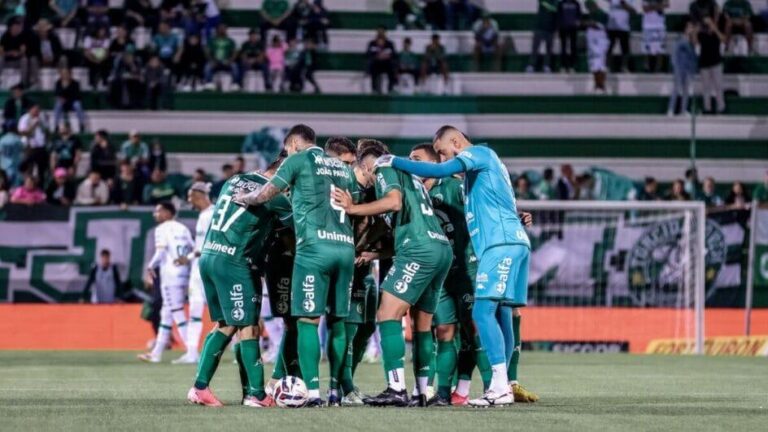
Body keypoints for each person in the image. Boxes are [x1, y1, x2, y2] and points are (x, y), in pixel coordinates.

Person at [375, 125, 536, 406]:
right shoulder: (479, 174)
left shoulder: (479, 154)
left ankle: (498, 387)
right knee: (502, 314)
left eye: (442, 151)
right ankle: (506, 384)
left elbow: (438, 171)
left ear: (456, 141)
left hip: (498, 246)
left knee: (483, 312)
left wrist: (392, 161)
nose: (443, 158)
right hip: (512, 242)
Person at [234, 124, 358, 407]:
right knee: (338, 323)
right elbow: (355, 208)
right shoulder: (342, 169)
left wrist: (245, 198)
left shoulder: (297, 160)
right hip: (345, 248)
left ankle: (313, 393)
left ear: (292, 145)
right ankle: (336, 393)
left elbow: (267, 193)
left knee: (306, 321)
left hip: (314, 250)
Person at [331, 140, 452, 408]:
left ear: (368, 165)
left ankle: (396, 388)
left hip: (418, 249)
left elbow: (394, 203)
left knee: (387, 314)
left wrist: (352, 208)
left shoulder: (385, 166)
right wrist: (371, 253)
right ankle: (423, 392)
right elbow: (396, 225)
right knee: (422, 325)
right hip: (440, 248)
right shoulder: (411, 179)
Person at [186, 160, 292, 408]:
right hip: (235, 262)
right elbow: (294, 232)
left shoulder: (234, 180)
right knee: (248, 326)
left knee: (226, 324)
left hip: (210, 256)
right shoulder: (273, 193)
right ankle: (255, 393)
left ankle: (203, 388)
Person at [138, 202, 194, 363]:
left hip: (170, 276)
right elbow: (194, 249)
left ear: (168, 212)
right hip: (183, 274)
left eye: (158, 211)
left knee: (177, 312)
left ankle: (191, 352)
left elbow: (161, 252)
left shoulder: (161, 229)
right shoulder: (182, 228)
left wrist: (150, 266)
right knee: (166, 315)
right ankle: (156, 353)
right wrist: (186, 260)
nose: (155, 214)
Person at [171, 182, 214, 365]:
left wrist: (186, 258)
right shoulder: (207, 214)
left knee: (214, 311)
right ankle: (191, 352)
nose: (189, 201)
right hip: (202, 266)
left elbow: (203, 247)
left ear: (199, 195)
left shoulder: (209, 215)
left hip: (204, 267)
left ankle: (193, 352)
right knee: (196, 310)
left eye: (190, 197)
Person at [667, 22, 698, 116]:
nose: (691, 29)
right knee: (676, 88)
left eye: (692, 27)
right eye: (689, 27)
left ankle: (683, 110)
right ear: (685, 29)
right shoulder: (680, 39)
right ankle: (670, 109)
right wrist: (674, 64)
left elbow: (693, 56)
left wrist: (693, 69)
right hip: (679, 66)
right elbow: (675, 52)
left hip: (688, 68)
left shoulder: (693, 41)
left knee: (686, 90)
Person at [699, 16, 726, 114]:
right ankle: (707, 108)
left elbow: (723, 39)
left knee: (718, 86)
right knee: (706, 88)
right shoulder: (701, 34)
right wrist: (696, 30)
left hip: (716, 62)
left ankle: (721, 107)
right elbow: (694, 42)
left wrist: (714, 28)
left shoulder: (716, 33)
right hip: (704, 63)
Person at [18, 104, 50, 182]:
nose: (37, 112)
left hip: (41, 147)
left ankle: (40, 187)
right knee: (29, 169)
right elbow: (22, 132)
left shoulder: (41, 118)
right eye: (35, 110)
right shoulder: (25, 118)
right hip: (30, 147)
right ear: (30, 110)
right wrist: (33, 125)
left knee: (42, 170)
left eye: (38, 110)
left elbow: (47, 131)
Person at [204, 24, 241, 90]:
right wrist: (211, 60)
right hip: (215, 60)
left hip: (227, 60)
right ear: (217, 30)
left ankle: (235, 84)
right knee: (207, 66)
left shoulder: (230, 41)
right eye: (220, 29)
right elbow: (207, 52)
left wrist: (230, 60)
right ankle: (209, 83)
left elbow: (235, 53)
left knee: (234, 66)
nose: (222, 30)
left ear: (226, 30)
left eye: (224, 29)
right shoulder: (212, 40)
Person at [526, 0, 558, 73]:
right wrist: (552, 8)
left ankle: (546, 65)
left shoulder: (555, 2)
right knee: (535, 48)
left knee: (549, 49)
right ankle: (531, 65)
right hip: (539, 27)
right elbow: (551, 8)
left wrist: (556, 28)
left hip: (550, 28)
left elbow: (556, 11)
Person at [0, 18, 32, 87]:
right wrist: (10, 53)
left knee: (24, 59)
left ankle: (23, 82)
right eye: (15, 27)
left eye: (18, 27)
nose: (16, 29)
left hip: (18, 61)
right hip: (7, 60)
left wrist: (18, 53)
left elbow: (23, 51)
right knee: (0, 58)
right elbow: (1, 51)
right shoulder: (5, 36)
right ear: (11, 27)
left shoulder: (22, 36)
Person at [606, 0, 636, 72]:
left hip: (624, 27)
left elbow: (633, 11)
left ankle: (624, 67)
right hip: (612, 26)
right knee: (609, 47)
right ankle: (606, 66)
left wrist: (624, 4)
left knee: (625, 48)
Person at [366, 27, 398, 94]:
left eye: (382, 32)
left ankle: (390, 88)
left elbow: (394, 55)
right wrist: (377, 56)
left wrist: (386, 56)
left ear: (385, 33)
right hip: (376, 63)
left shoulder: (389, 44)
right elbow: (368, 54)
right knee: (372, 65)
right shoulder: (372, 43)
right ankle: (374, 89)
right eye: (379, 32)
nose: (380, 33)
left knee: (392, 65)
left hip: (386, 63)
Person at [641, 0, 668, 73]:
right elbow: (645, 8)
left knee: (660, 48)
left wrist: (652, 6)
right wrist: (658, 5)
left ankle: (659, 67)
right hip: (647, 25)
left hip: (660, 25)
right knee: (646, 48)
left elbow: (666, 5)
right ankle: (646, 67)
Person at [586, 13, 610, 93]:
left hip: (600, 50)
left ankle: (602, 85)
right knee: (594, 69)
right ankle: (597, 85)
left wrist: (601, 50)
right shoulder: (589, 31)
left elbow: (605, 42)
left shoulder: (602, 30)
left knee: (601, 68)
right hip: (592, 51)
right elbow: (589, 42)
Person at [558, 0, 583, 73]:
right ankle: (563, 66)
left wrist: (578, 21)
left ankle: (572, 66)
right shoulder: (561, 3)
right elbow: (559, 15)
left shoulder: (576, 3)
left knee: (573, 47)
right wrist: (558, 27)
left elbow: (579, 14)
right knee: (563, 47)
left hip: (573, 28)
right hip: (563, 28)